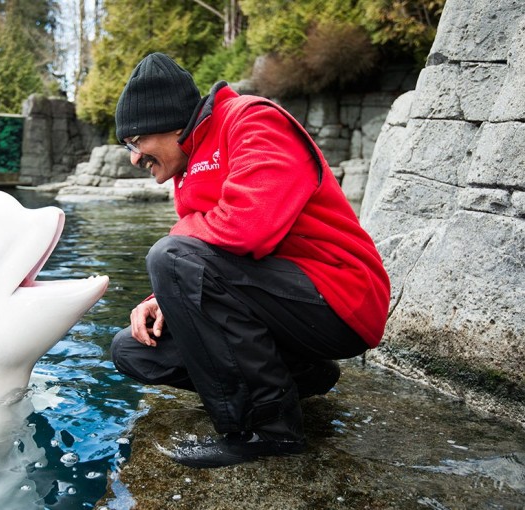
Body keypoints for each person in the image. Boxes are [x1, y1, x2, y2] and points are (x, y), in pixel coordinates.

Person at [110, 53, 390, 468]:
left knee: (169, 256)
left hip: (340, 297)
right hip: (284, 306)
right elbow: (205, 249)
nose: (135, 157)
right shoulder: (188, 164)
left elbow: (247, 227)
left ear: (170, 124)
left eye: (135, 142)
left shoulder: (252, 119)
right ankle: (302, 375)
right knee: (131, 350)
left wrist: (174, 258)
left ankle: (269, 431)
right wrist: (162, 296)